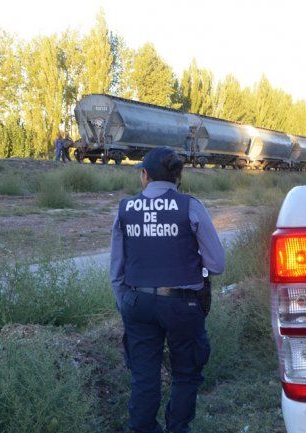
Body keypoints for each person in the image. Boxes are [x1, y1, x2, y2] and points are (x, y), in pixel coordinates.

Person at [110, 147, 225, 433]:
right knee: (185, 374)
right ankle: (177, 428)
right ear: (177, 178)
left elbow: (116, 270)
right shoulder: (190, 206)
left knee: (144, 375)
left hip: (137, 302)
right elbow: (217, 263)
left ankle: (144, 428)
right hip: (182, 305)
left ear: (145, 175)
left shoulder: (125, 208)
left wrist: (125, 303)